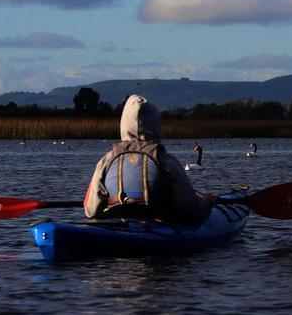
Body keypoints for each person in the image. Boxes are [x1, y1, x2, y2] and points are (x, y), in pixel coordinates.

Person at [84, 95, 211, 225]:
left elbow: (90, 210)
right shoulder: (166, 160)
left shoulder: (106, 160)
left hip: (117, 221)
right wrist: (206, 205)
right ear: (155, 124)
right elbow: (191, 211)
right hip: (159, 224)